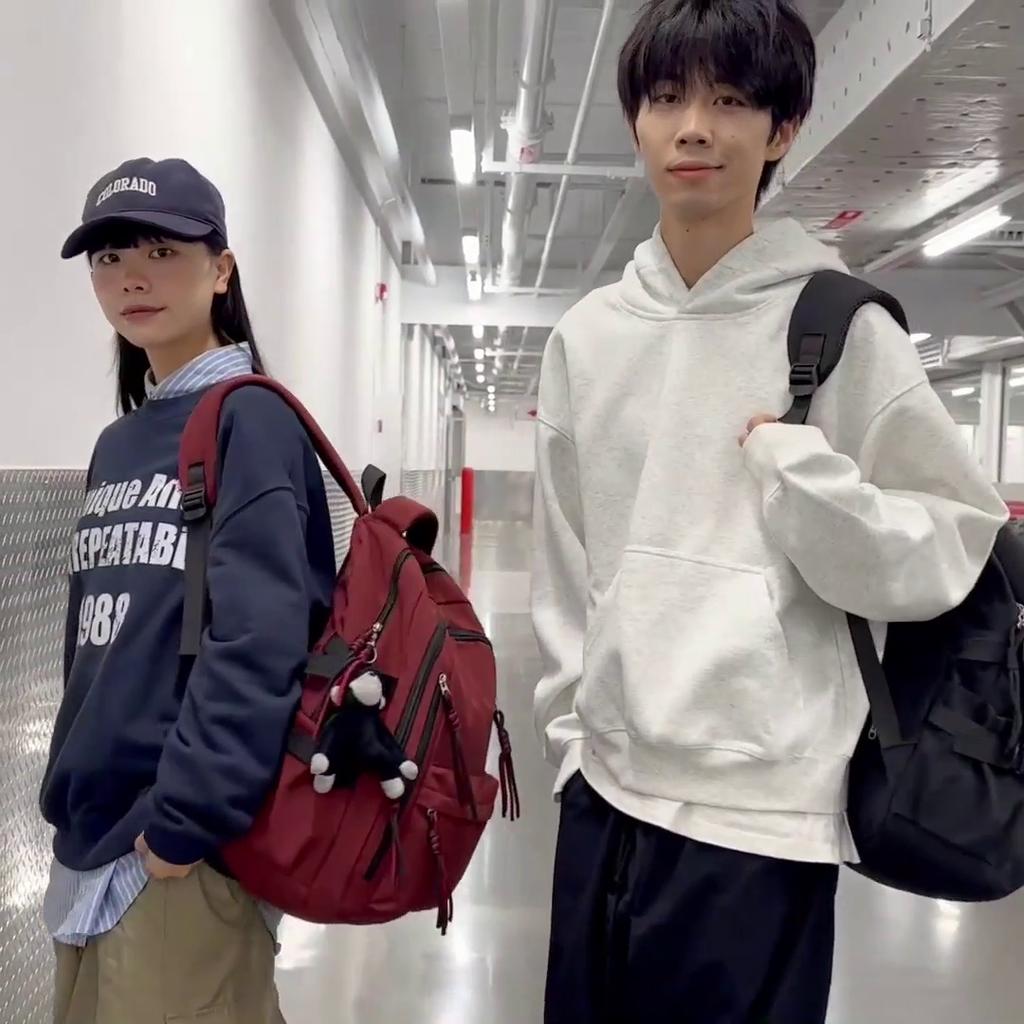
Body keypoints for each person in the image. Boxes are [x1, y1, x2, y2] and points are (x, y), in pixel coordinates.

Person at [531, 2, 1008, 1022]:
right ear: (637, 119)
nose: (693, 128)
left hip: (762, 826)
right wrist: (573, 741)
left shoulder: (839, 328)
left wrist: (803, 481)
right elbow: (569, 561)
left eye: (730, 101)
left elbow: (951, 543)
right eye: (667, 98)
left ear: (782, 129)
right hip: (604, 797)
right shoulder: (587, 336)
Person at [39, 156, 337, 1024]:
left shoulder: (251, 418)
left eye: (163, 251)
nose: (132, 277)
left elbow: (262, 637)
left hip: (177, 853)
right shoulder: (122, 442)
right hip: (92, 841)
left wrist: (186, 820)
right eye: (110, 257)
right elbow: (92, 639)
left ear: (221, 269)